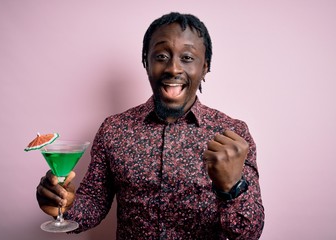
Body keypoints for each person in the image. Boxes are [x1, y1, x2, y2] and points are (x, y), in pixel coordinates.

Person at [36, 12, 264, 239]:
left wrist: (233, 187)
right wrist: (65, 205)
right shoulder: (114, 130)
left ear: (205, 67)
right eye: (162, 56)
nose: (173, 68)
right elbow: (93, 204)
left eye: (187, 58)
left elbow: (249, 233)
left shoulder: (233, 137)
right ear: (146, 62)